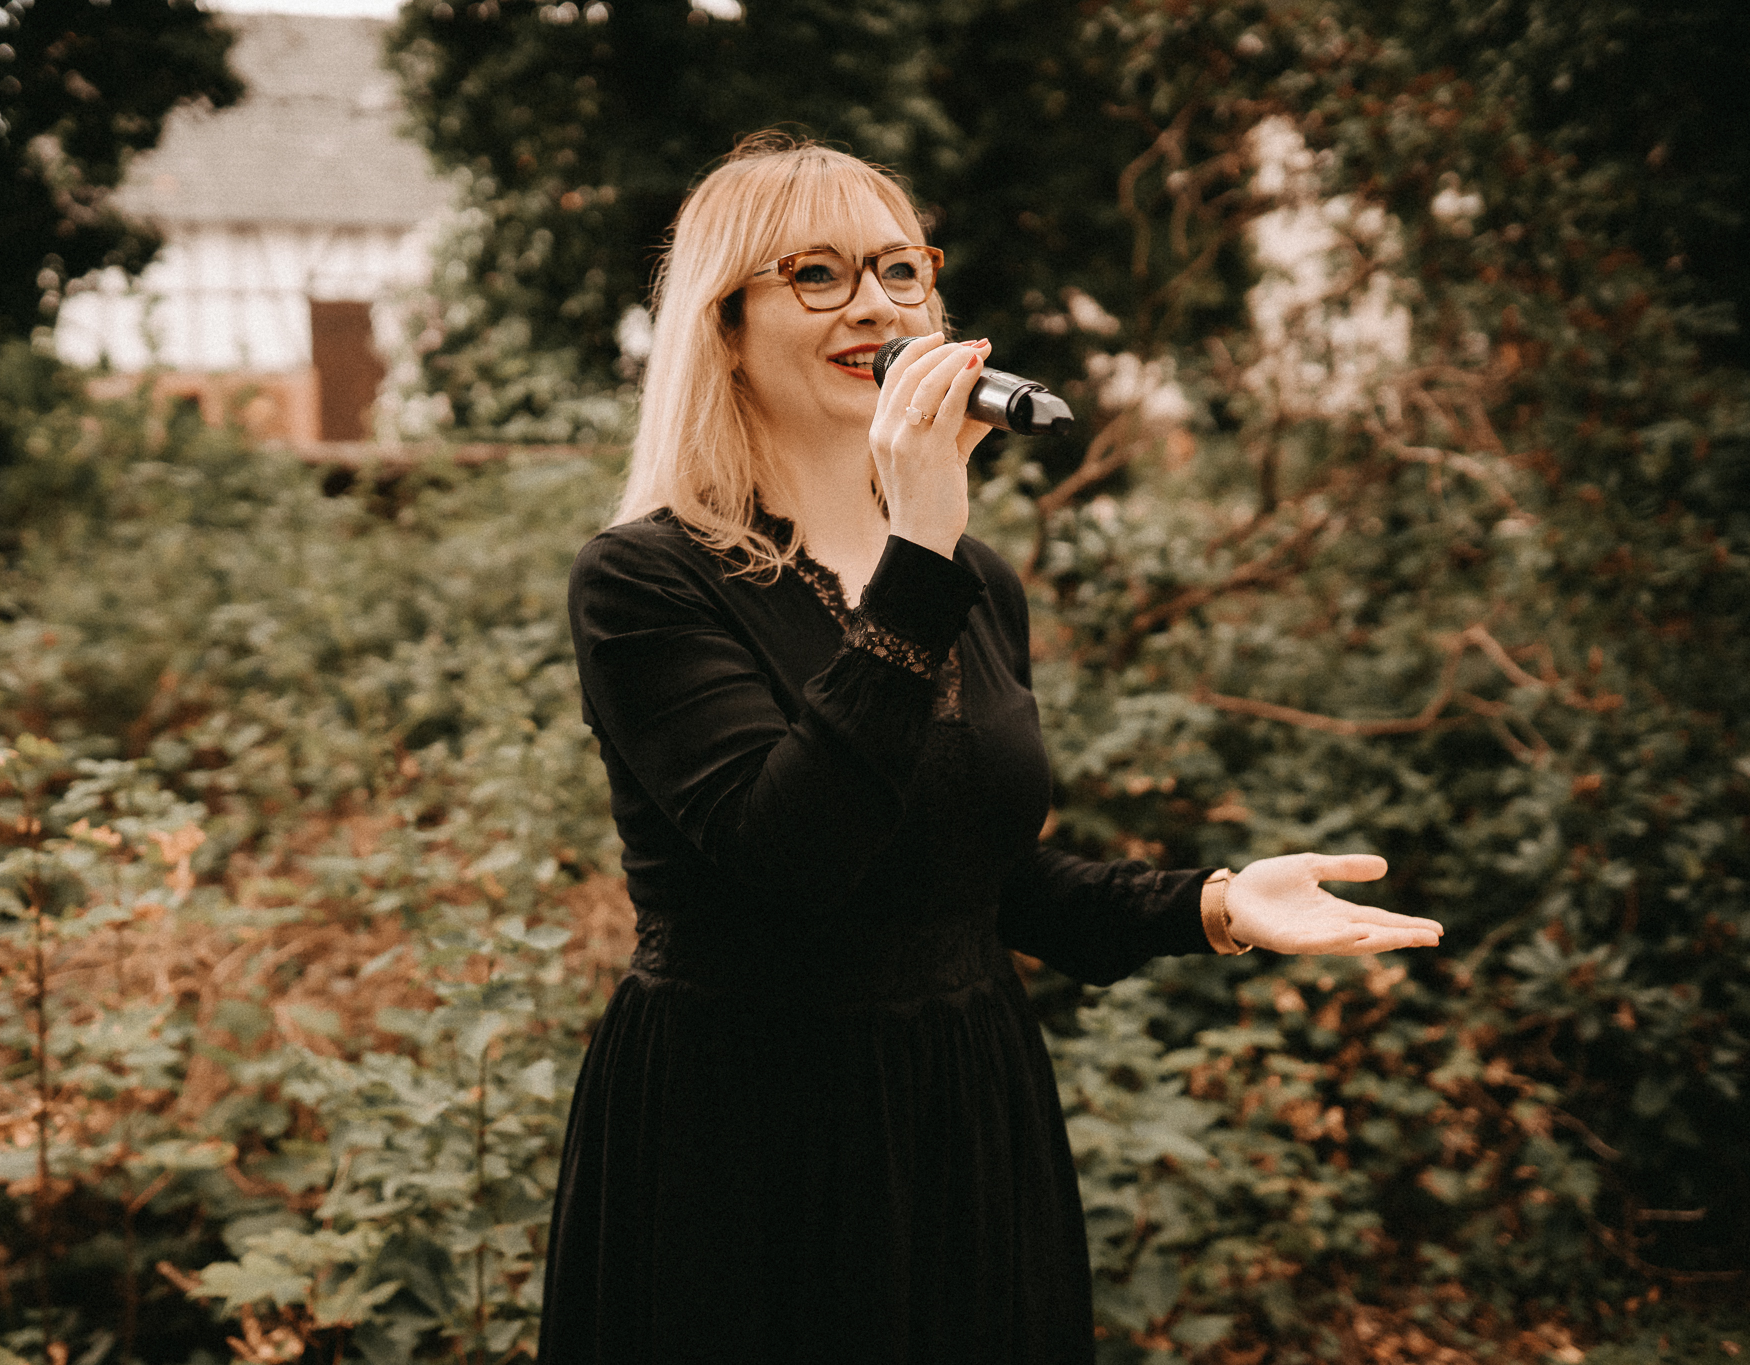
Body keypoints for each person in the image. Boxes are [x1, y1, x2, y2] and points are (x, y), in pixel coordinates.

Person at [543, 134, 1444, 1364]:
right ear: (725, 328)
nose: (874, 304)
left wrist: (1217, 905)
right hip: (746, 1129)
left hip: (961, 1104)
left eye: (897, 268)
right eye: (814, 273)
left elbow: (974, 876)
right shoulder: (647, 579)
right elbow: (788, 853)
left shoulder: (973, 581)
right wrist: (917, 550)